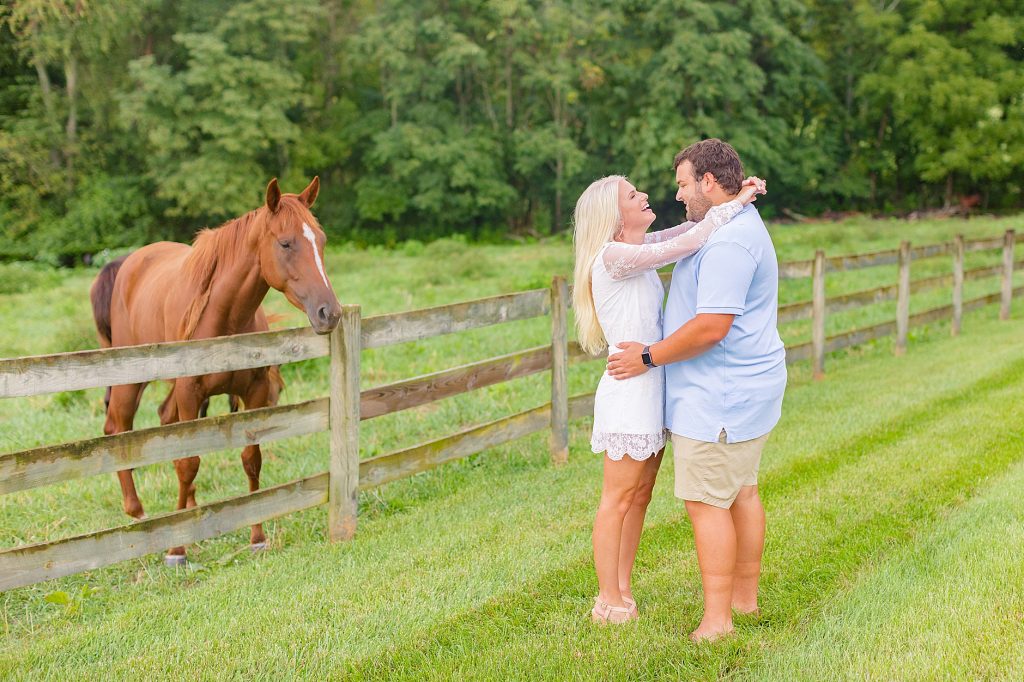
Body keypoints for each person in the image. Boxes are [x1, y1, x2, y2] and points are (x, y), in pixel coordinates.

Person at [607, 139, 786, 641]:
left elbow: (711, 327)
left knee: (708, 502)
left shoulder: (728, 241)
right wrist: (742, 197)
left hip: (720, 395)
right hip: (741, 388)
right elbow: (677, 238)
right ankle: (744, 602)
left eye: (684, 183)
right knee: (740, 493)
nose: (679, 194)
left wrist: (647, 356)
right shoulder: (728, 225)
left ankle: (718, 620)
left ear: (708, 181)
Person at [572, 172, 764, 624]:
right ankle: (607, 599)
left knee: (640, 496)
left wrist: (729, 202)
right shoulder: (615, 255)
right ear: (613, 216)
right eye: (632, 195)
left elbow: (682, 233)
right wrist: (741, 200)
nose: (644, 196)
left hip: (651, 381)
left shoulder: (636, 251)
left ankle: (623, 586)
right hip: (628, 388)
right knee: (617, 499)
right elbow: (689, 240)